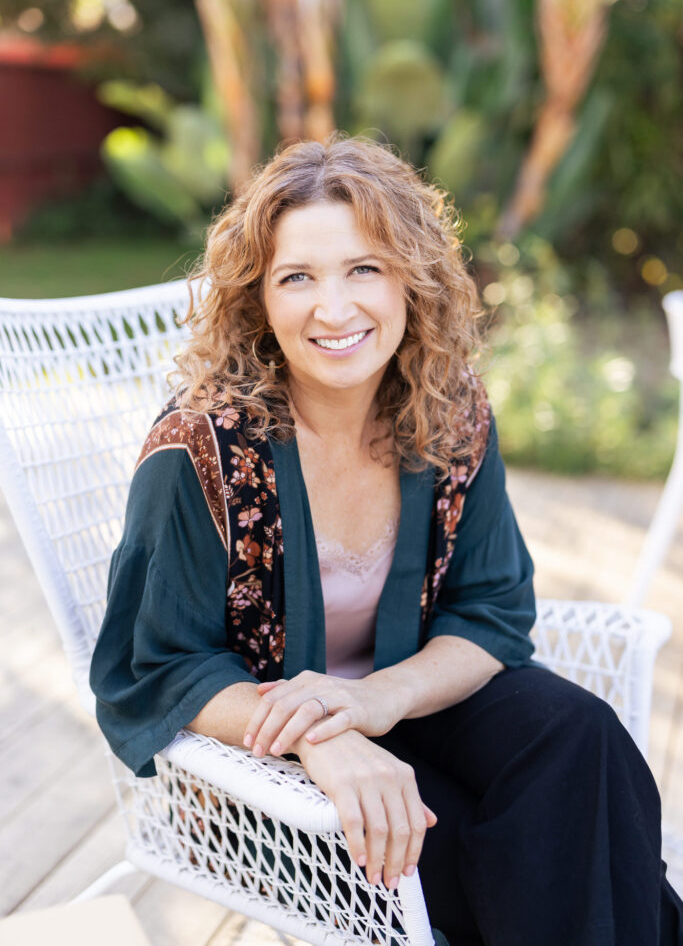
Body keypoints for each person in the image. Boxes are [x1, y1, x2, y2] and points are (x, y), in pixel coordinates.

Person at [90, 134, 683, 946]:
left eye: (363, 268)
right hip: (265, 771)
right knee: (501, 849)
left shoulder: (447, 412)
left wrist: (372, 701)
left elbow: (491, 613)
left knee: (582, 742)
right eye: (297, 277)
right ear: (257, 297)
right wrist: (323, 740)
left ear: (411, 277)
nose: (334, 309)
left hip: (404, 702)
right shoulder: (201, 449)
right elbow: (158, 667)